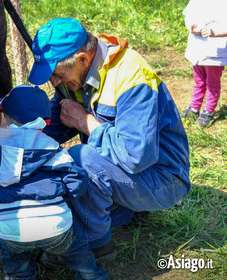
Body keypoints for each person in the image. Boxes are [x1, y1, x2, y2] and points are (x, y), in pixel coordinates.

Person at [28, 18, 191, 261]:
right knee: (62, 183)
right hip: (128, 173)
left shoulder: (130, 75)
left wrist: (86, 123)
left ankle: (96, 246)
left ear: (83, 59)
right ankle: (127, 210)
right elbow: (57, 125)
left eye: (57, 75)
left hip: (163, 177)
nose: (55, 83)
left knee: (81, 160)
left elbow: (136, 156)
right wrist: (24, 137)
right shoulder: (76, 74)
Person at [0, 85, 108, 280]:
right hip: (55, 225)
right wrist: (66, 196)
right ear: (41, 126)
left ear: (3, 118)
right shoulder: (52, 147)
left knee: (16, 268)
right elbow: (76, 181)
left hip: (10, 229)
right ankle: (91, 275)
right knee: (78, 252)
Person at [181, 0, 227, 127]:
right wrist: (192, 26)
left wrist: (215, 32)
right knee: (199, 82)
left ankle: (209, 110)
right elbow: (188, 17)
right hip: (198, 51)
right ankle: (194, 108)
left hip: (214, 54)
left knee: (212, 84)